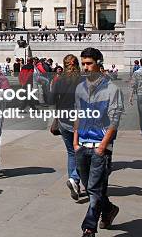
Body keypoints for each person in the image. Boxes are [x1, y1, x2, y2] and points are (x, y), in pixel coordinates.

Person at [73, 48, 124, 237]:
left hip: (100, 146)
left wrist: (103, 147)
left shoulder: (112, 89)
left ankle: (89, 228)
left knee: (94, 189)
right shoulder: (80, 88)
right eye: (83, 63)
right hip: (82, 145)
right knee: (91, 187)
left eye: (89, 63)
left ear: (98, 63)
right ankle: (109, 209)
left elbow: (115, 120)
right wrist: (75, 142)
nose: (85, 67)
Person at [49, 54, 83, 200]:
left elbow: (51, 100)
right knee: (82, 153)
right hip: (79, 120)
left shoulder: (58, 80)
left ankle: (73, 181)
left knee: (71, 152)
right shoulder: (82, 80)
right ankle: (74, 179)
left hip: (63, 120)